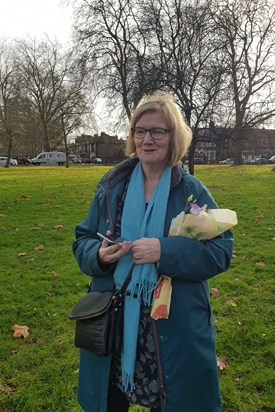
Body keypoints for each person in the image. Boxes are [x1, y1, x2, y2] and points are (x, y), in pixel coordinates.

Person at [72, 91, 234, 412]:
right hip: (114, 320)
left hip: (170, 323)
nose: (147, 139)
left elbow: (220, 249)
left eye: (158, 131)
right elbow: (83, 240)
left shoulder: (190, 193)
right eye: (140, 130)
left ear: (173, 136)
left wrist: (164, 250)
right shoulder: (112, 187)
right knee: (111, 400)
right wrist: (99, 256)